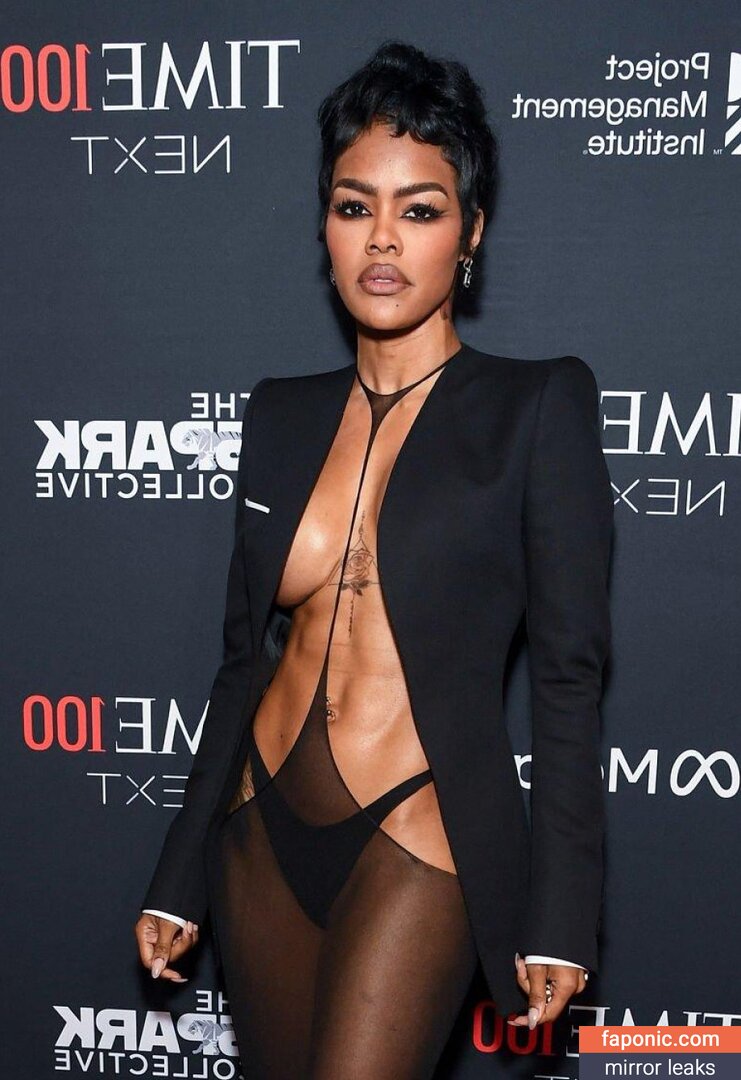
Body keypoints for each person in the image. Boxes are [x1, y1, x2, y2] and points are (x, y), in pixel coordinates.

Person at [135, 40, 614, 1078]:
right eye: (355, 206)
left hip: (416, 834)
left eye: (420, 209)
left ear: (470, 230)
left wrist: (563, 913)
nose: (383, 238)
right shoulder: (277, 414)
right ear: (326, 226)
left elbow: (569, 681)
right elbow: (241, 664)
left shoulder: (538, 407)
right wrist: (177, 876)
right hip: (258, 827)